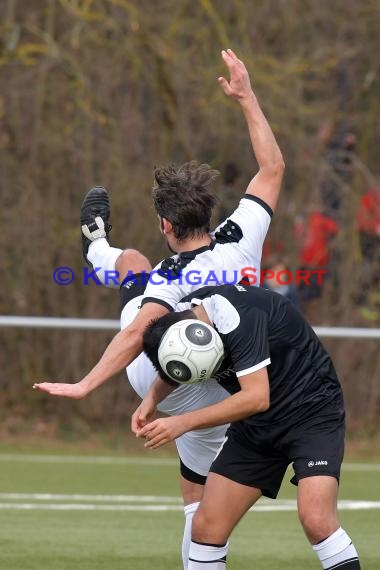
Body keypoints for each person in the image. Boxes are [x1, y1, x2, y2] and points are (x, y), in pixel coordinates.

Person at [33, 49, 285, 569]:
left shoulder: (167, 279)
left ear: (167, 225)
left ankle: (96, 246)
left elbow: (134, 337)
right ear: (211, 216)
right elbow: (273, 167)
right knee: (199, 500)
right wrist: (246, 97)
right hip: (225, 388)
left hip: (159, 378)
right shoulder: (242, 237)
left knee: (130, 262)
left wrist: (85, 384)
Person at [137, 284, 361, 570]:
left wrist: (182, 422)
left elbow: (256, 397)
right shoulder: (190, 321)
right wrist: (152, 398)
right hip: (258, 424)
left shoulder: (236, 315)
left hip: (312, 412)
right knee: (207, 527)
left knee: (317, 521)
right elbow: (183, 358)